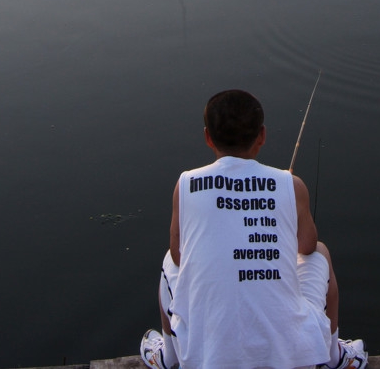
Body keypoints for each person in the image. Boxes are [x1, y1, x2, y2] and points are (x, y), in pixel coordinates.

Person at [140, 89, 368, 369]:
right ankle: (336, 358)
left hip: (205, 355)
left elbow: (178, 255)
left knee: (168, 262)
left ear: (207, 137)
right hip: (292, 353)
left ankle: (168, 357)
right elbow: (307, 246)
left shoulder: (186, 183)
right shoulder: (291, 185)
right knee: (321, 252)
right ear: (262, 136)